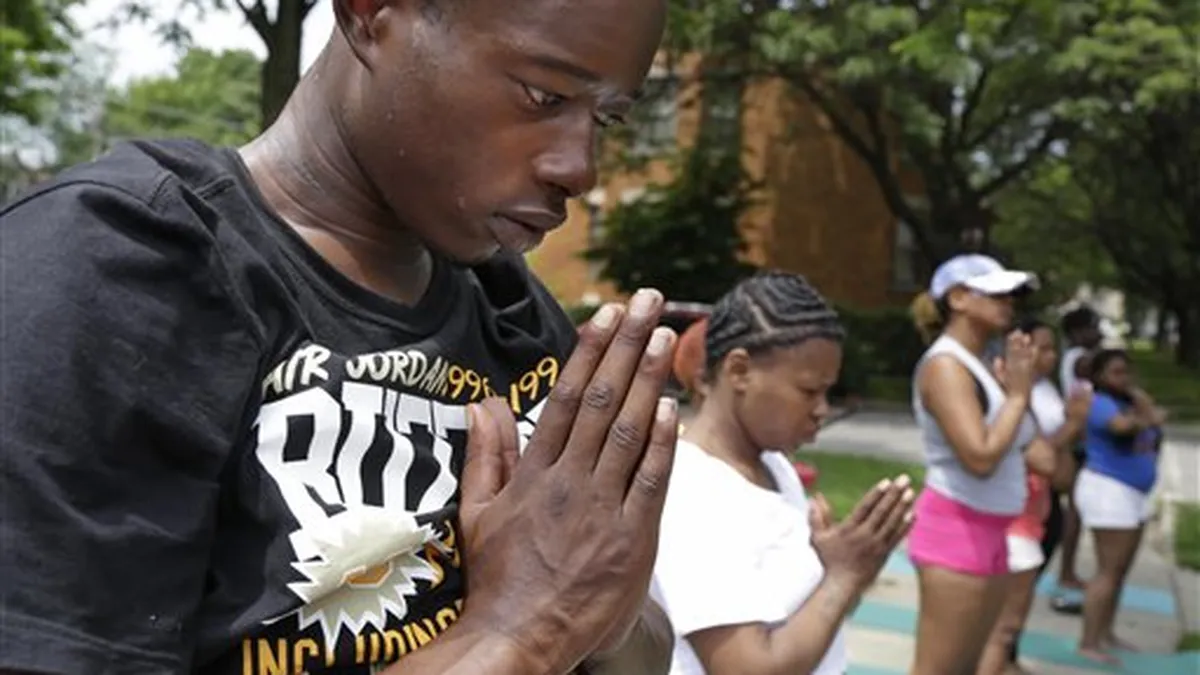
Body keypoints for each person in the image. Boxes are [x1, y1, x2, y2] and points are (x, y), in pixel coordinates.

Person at [0, 1, 680, 673]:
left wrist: (586, 591)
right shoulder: (123, 268)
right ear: (369, 13)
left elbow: (635, 639)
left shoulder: (513, 313)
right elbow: (555, 613)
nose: (580, 169)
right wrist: (521, 629)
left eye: (606, 118)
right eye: (542, 95)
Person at [651, 272, 914, 675]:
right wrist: (844, 576)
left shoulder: (772, 465)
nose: (822, 409)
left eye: (828, 392)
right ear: (739, 370)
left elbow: (807, 617)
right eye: (809, 391)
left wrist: (841, 566)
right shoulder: (693, 494)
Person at [906, 254, 1043, 675]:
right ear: (959, 298)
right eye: (998, 293)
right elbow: (979, 457)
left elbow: (1027, 445)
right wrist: (1018, 396)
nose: (1009, 303)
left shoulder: (979, 364)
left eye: (1013, 295)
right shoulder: (945, 366)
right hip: (957, 529)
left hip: (992, 530)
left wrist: (1014, 394)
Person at [979, 318, 1093, 675]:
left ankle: (1007, 661)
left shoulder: (1043, 392)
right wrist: (1072, 427)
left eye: (1051, 348)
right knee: (997, 627)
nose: (1050, 356)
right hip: (1012, 521)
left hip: (1036, 512)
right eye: (1041, 349)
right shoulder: (1008, 399)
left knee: (1007, 624)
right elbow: (1042, 457)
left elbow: (1056, 468)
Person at [1074, 349, 1166, 665]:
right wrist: (1148, 418)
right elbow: (1121, 428)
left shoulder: (1130, 401)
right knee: (1107, 571)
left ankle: (1107, 632)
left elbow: (1151, 423)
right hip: (1108, 490)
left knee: (1120, 572)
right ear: (1099, 376)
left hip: (1135, 493)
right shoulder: (1100, 403)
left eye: (1127, 372)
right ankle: (1088, 641)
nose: (1124, 378)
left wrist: (1138, 397)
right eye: (1116, 372)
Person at [1052, 306, 1104, 603]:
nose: (1098, 333)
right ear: (1076, 332)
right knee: (1076, 508)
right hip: (1079, 441)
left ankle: (1067, 569)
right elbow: (1097, 368)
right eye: (1092, 327)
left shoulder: (1075, 356)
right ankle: (1066, 571)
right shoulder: (1080, 358)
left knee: (1077, 508)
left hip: (1081, 439)